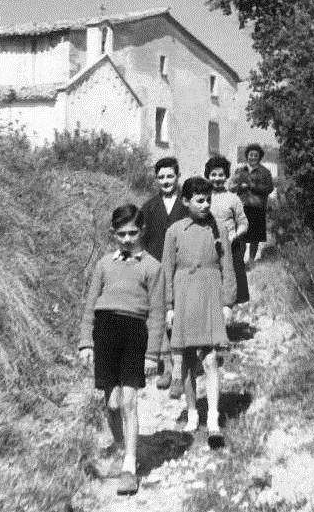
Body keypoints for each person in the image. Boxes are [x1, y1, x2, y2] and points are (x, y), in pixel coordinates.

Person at [79, 204, 165, 496]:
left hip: (134, 334)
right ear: (113, 234)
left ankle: (129, 465)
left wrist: (153, 353)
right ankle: (121, 447)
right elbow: (90, 305)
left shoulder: (152, 266)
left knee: (129, 401)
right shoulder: (104, 264)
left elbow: (156, 312)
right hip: (105, 332)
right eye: (121, 234)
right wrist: (85, 342)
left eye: (133, 233)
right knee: (112, 403)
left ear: (142, 232)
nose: (127, 239)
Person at [162, 177, 236, 448]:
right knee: (189, 359)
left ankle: (214, 418)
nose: (205, 205)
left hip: (210, 295)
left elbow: (228, 267)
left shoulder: (218, 229)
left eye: (208, 200)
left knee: (211, 358)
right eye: (199, 200)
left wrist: (228, 303)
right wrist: (168, 307)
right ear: (185, 201)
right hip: (184, 296)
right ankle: (193, 412)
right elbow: (166, 272)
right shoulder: (175, 231)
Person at [140, 157, 187, 396]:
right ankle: (167, 367)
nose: (166, 181)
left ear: (178, 177)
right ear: (156, 179)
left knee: (177, 320)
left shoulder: (187, 206)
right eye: (161, 177)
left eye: (170, 176)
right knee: (158, 317)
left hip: (182, 272)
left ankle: (180, 373)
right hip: (157, 273)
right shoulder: (148, 208)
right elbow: (141, 242)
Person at [204, 155, 249, 304]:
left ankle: (227, 321)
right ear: (208, 175)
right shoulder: (202, 197)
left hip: (229, 248)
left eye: (221, 175)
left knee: (228, 286)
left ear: (226, 176)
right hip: (206, 249)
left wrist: (234, 235)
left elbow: (243, 223)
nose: (217, 178)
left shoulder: (233, 199)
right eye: (213, 175)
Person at [230, 144, 274, 267]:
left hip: (257, 207)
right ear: (247, 156)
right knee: (241, 235)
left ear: (259, 157)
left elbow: (269, 188)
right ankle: (240, 261)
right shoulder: (240, 170)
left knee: (254, 237)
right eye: (251, 155)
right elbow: (232, 186)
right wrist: (238, 187)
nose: (253, 157)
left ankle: (251, 261)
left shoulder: (265, 172)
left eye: (256, 155)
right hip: (242, 207)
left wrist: (251, 186)